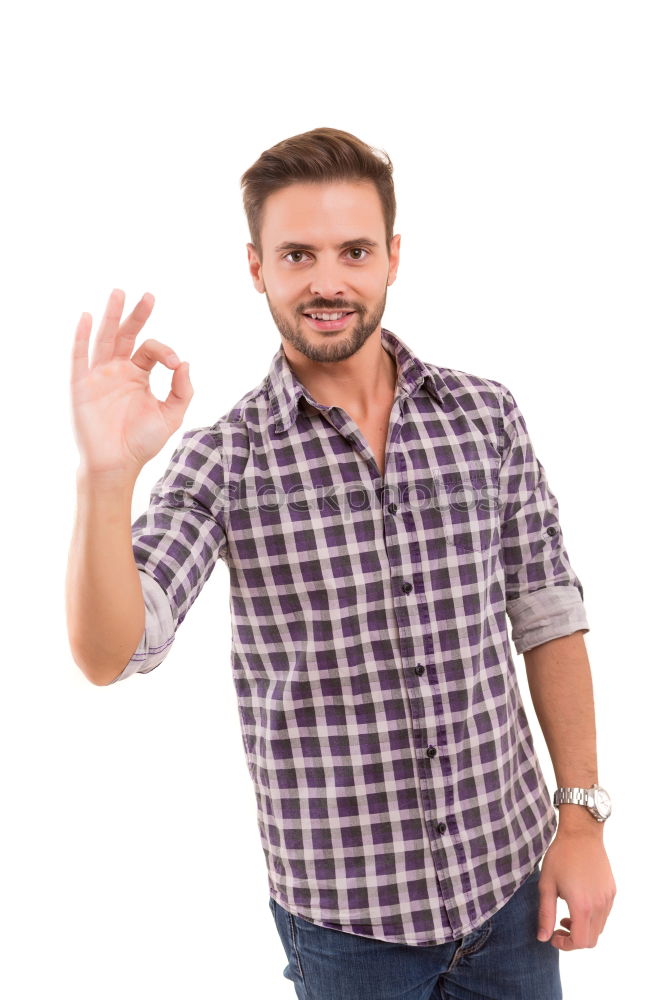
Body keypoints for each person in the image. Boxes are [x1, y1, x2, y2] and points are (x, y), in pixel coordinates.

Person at [66, 126, 616, 999]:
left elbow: (548, 616)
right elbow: (114, 650)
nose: (328, 281)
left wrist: (580, 820)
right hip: (346, 930)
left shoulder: (486, 416)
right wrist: (106, 477)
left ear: (393, 257)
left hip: (511, 891)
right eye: (298, 255)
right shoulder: (227, 457)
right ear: (257, 267)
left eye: (354, 251)